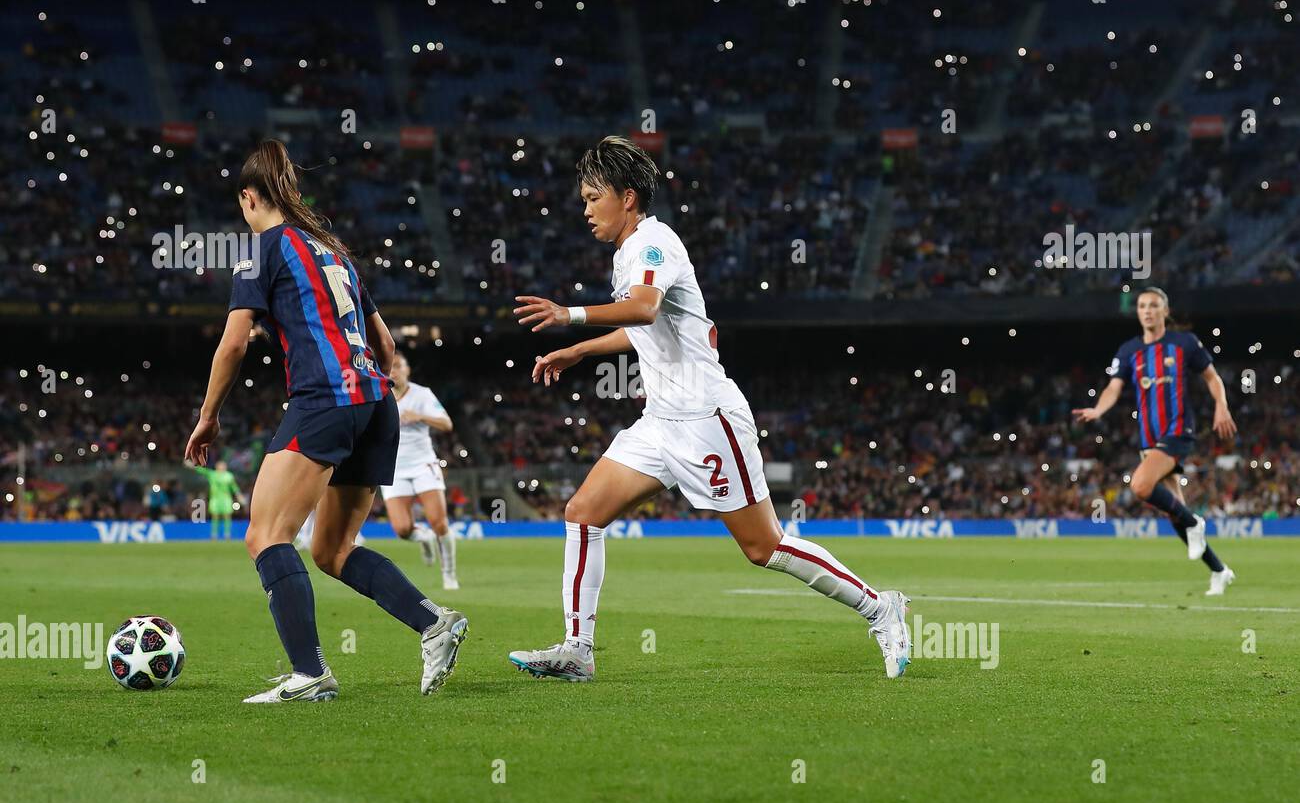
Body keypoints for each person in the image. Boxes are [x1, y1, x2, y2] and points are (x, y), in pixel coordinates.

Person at [506, 136, 911, 682]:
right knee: (582, 514)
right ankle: (578, 648)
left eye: (592, 197)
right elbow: (645, 329)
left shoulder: (654, 242)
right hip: (660, 424)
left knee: (763, 547)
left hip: (707, 419)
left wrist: (569, 316)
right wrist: (581, 351)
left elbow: (645, 310)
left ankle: (880, 607)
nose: (585, 211)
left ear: (627, 198)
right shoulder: (628, 254)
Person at [184, 138, 467, 704]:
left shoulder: (261, 248)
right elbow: (385, 346)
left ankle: (309, 673)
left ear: (248, 197)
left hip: (324, 400)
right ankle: (434, 621)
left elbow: (235, 342)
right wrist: (366, 389)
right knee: (332, 550)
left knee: (266, 535)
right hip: (375, 403)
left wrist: (208, 416)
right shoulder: (333, 249)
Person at [1073, 286, 1237, 595]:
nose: (1147, 310)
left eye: (1153, 305)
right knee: (1172, 510)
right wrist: (1098, 409)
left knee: (1140, 486)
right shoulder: (1128, 351)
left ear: (1165, 310)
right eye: (1142, 306)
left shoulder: (1184, 343)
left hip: (1177, 431)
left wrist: (1221, 405)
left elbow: (1212, 377)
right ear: (1137, 313)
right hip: (1149, 438)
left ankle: (1194, 523)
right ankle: (1219, 570)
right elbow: (1113, 387)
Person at [380, 352, 460, 590]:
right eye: (390, 367)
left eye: (399, 366)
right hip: (394, 468)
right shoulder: (379, 396)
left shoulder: (421, 394)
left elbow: (447, 424)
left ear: (407, 370)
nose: (394, 371)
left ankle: (449, 573)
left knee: (439, 522)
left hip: (423, 464)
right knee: (402, 529)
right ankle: (423, 538)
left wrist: (420, 416)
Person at [191, 460, 241, 538]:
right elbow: (201, 470)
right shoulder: (212, 474)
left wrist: (239, 495)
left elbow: (234, 487)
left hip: (226, 499)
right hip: (215, 499)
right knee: (215, 516)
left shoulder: (229, 476)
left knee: (227, 516)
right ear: (217, 467)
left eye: (224, 466)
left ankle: (227, 534)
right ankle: (214, 534)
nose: (223, 467)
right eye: (221, 465)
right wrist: (191, 465)